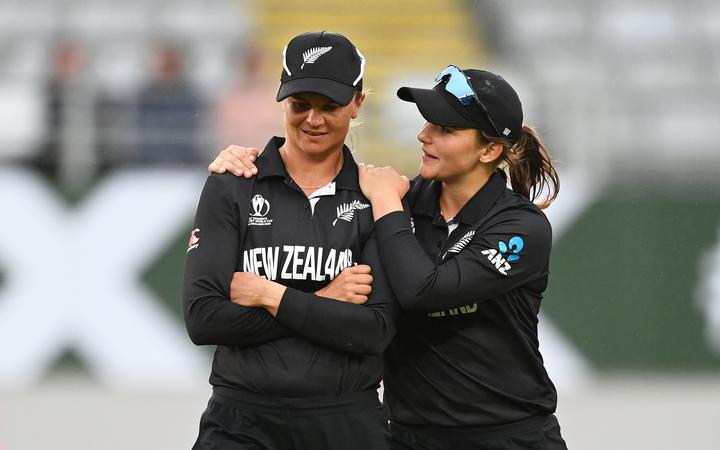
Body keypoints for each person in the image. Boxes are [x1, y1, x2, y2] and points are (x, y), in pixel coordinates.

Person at [210, 65, 567, 449]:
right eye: (428, 122)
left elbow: (423, 292)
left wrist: (384, 200)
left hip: (511, 437)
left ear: (490, 149)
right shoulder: (402, 202)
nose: (423, 135)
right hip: (409, 438)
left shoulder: (520, 228)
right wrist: (244, 162)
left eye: (445, 130)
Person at [183, 31, 398, 450]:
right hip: (240, 423)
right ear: (283, 100)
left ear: (357, 104)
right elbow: (204, 318)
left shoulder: (377, 196)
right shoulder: (233, 184)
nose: (313, 121)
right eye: (300, 105)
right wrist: (326, 300)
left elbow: (374, 331)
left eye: (329, 107)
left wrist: (270, 294)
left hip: (346, 424)